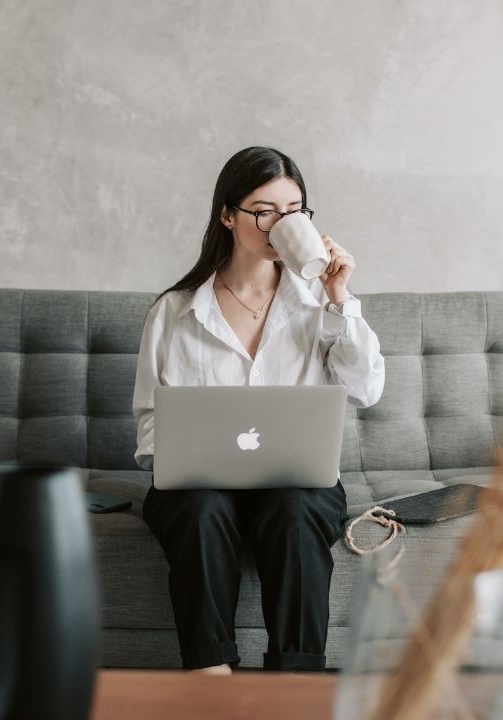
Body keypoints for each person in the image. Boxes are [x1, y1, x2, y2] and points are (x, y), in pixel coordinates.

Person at [131, 146, 386, 674]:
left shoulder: (319, 304)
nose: (281, 224)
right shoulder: (174, 311)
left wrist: (340, 297)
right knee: (200, 510)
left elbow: (366, 390)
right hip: (199, 488)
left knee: (296, 511)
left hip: (295, 483)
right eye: (264, 210)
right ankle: (210, 678)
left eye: (294, 211)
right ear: (228, 215)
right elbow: (151, 422)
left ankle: (295, 684)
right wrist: (180, 459)